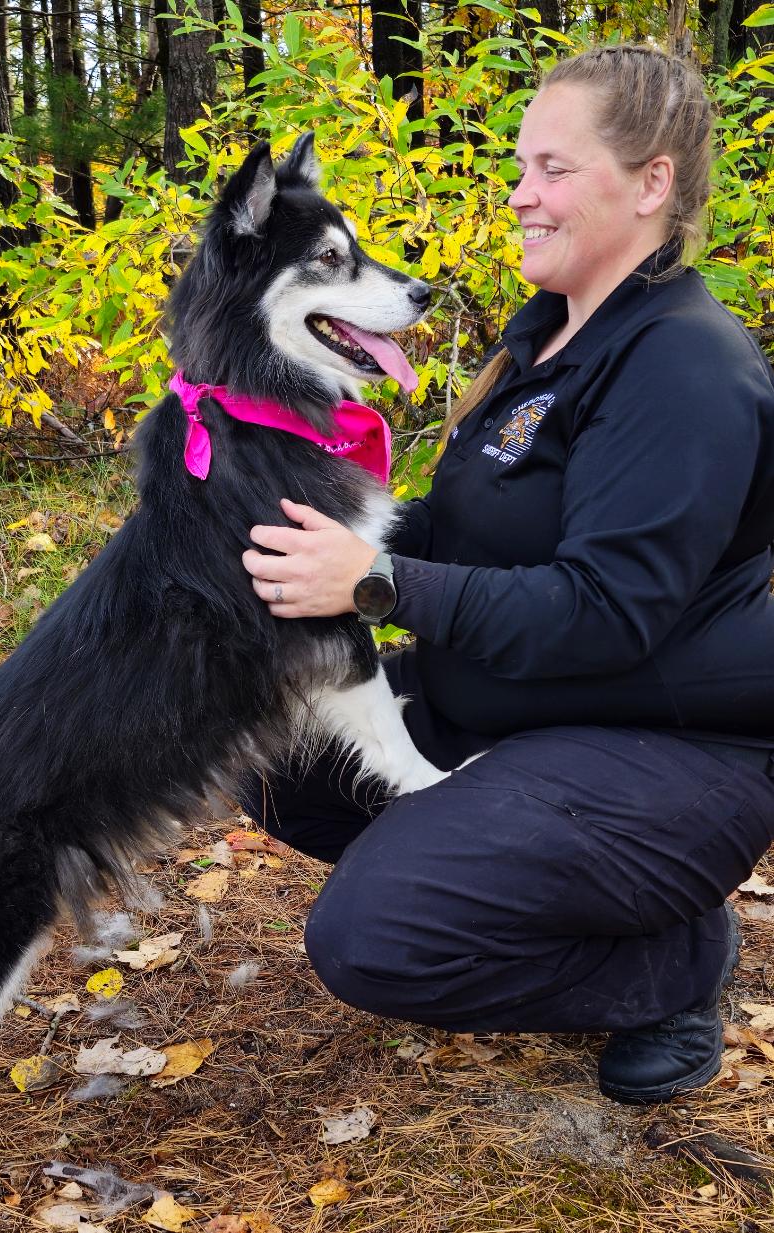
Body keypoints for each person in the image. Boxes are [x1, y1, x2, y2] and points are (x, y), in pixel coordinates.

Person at [240, 44, 774, 1105]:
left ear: (652, 183)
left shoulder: (681, 364)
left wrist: (378, 585)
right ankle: (544, 877)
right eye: (521, 166)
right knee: (256, 737)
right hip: (513, 712)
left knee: (372, 938)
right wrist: (315, 536)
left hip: (663, 755)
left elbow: (607, 611)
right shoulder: (546, 340)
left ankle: (666, 964)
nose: (522, 194)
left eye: (554, 169)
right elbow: (473, 527)